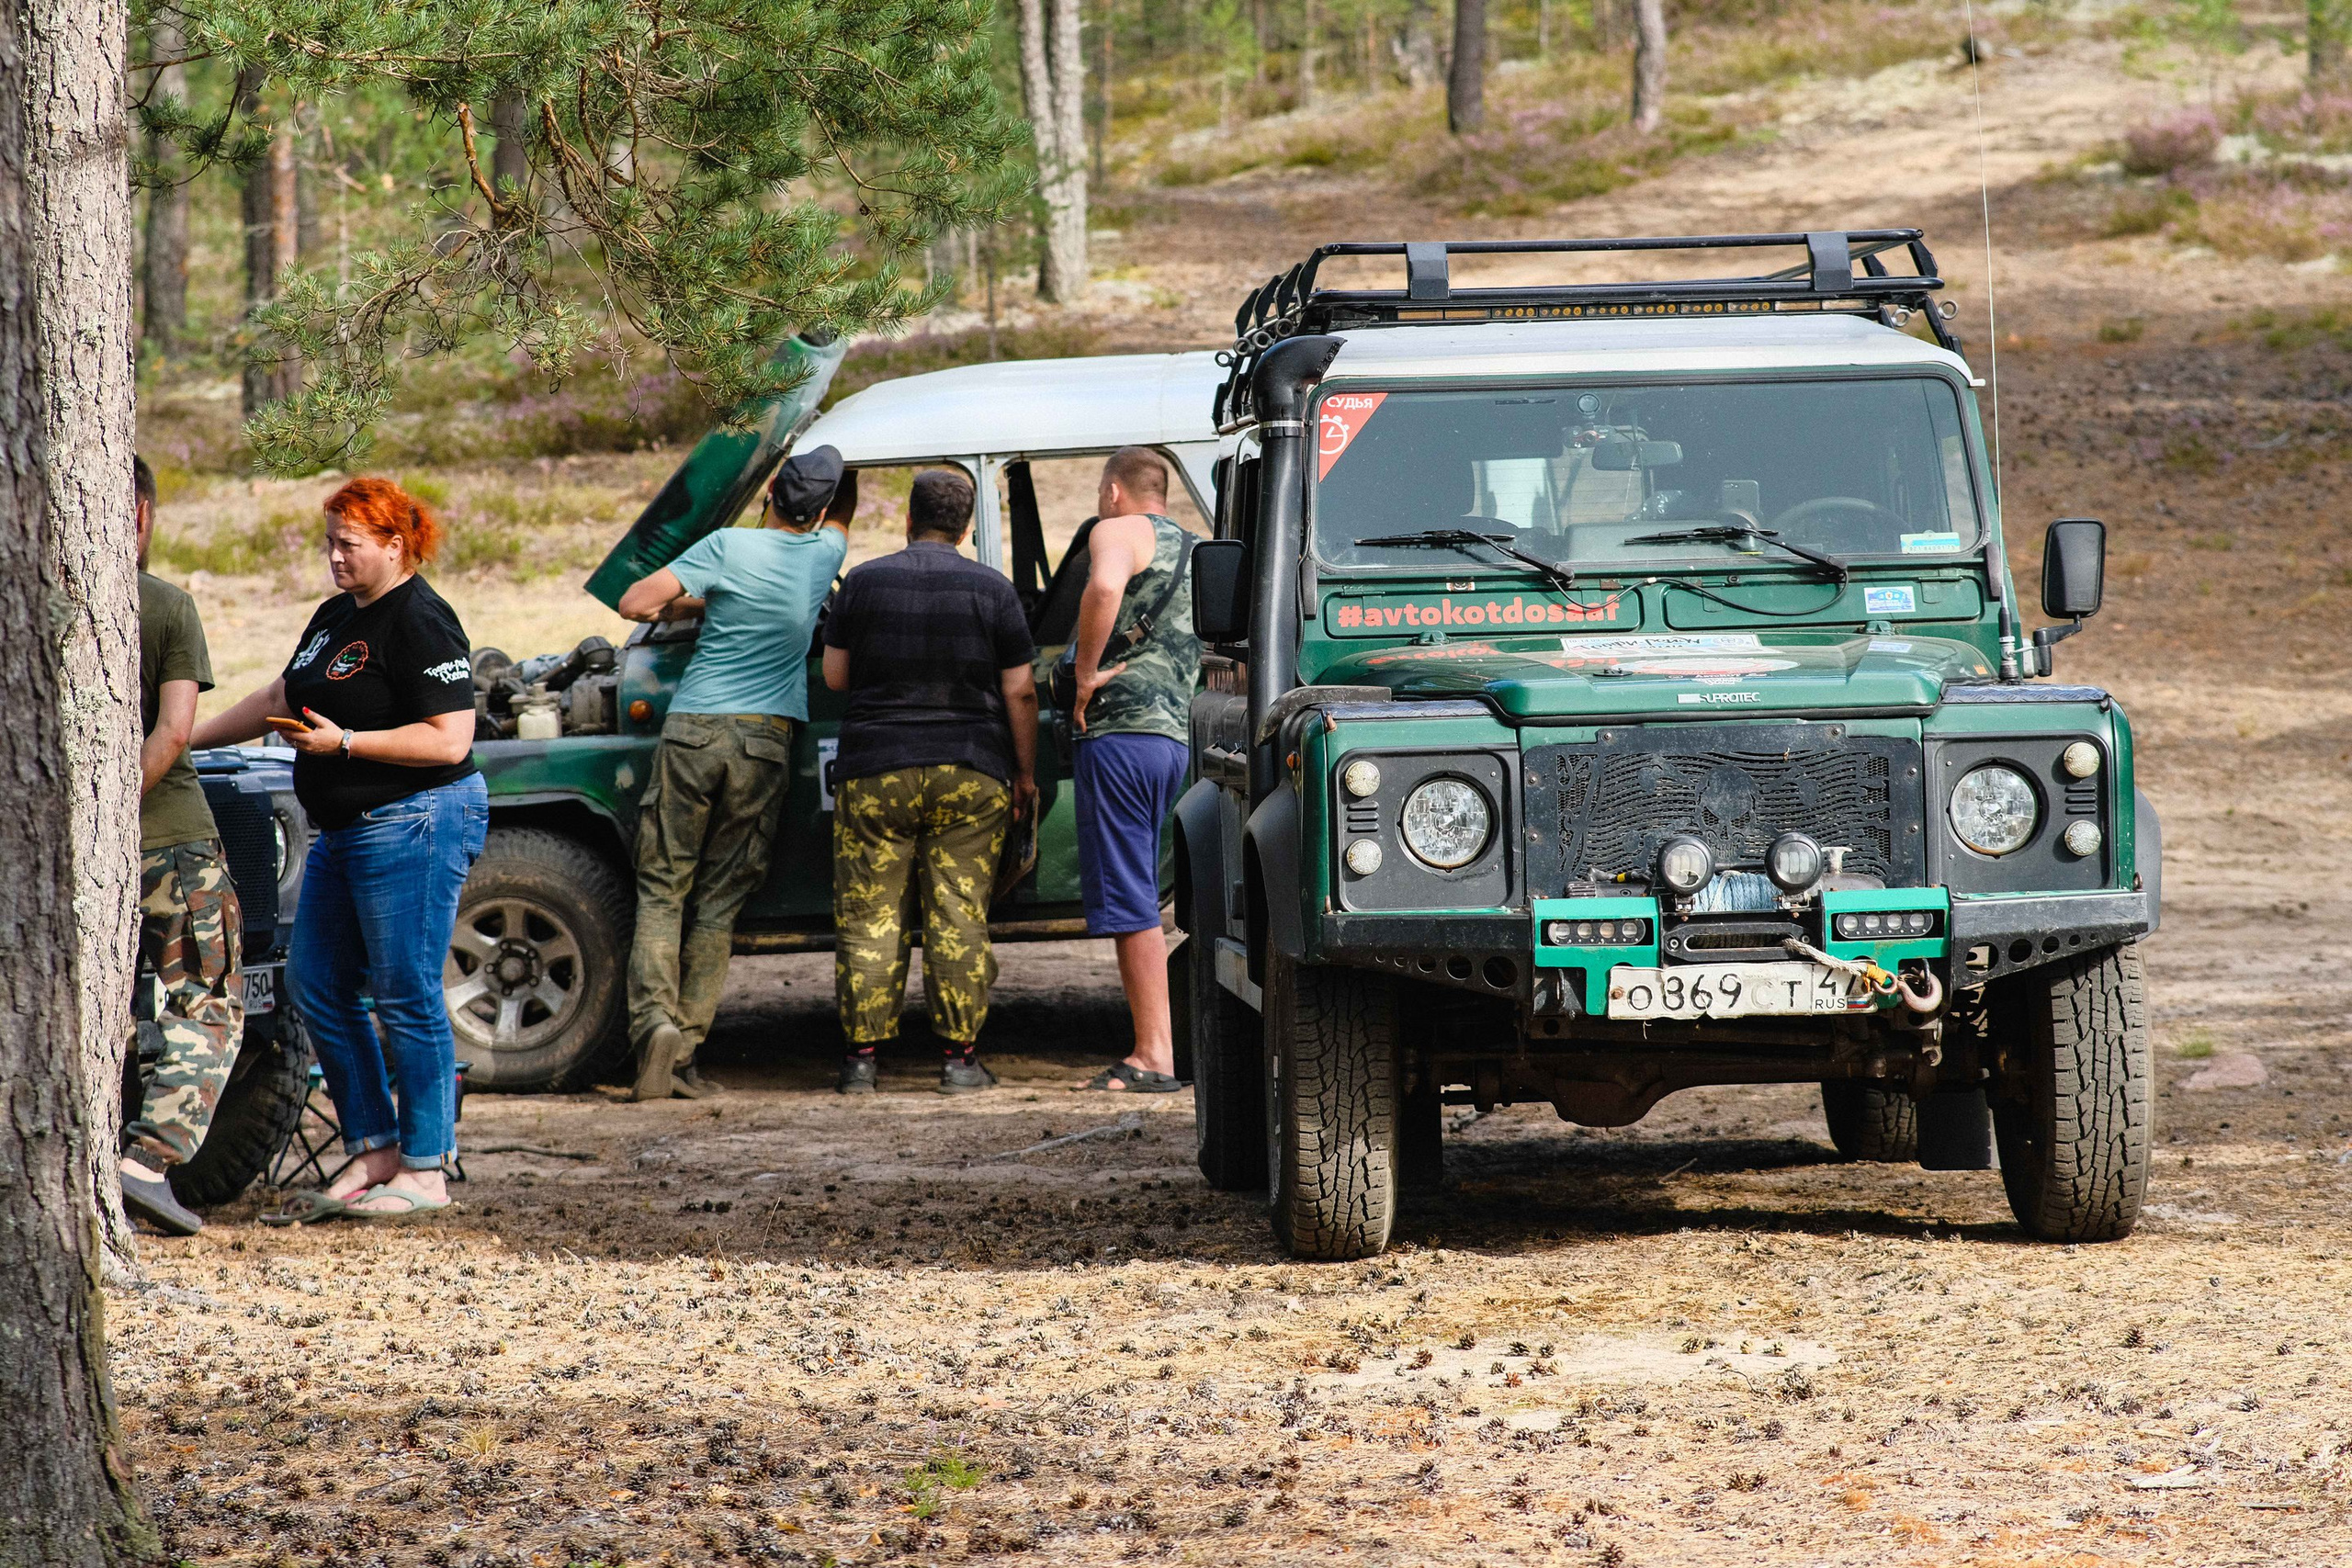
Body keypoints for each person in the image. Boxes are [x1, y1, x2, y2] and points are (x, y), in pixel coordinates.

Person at [194, 477, 486, 1222]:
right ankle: (376, 1148)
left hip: (416, 818)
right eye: (328, 542)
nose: (334, 556)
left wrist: (346, 742)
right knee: (317, 981)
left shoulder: (421, 619)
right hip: (345, 828)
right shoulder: (335, 615)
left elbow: (450, 739)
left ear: (395, 544)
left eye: (349, 544)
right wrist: (183, 740)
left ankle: (426, 1166)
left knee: (405, 989)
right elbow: (279, 699)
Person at [616, 446, 849, 1100]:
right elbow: (842, 516)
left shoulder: (724, 547)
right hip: (766, 737)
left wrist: (697, 602)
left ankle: (653, 1030)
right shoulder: (826, 553)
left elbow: (634, 603)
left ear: (769, 490)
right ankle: (685, 1054)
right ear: (821, 512)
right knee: (718, 904)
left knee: (662, 889)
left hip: (694, 726)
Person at [821, 468, 1037, 1095]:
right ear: (967, 529)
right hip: (970, 772)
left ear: (908, 520)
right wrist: (1024, 775)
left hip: (875, 770)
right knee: (957, 912)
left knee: (869, 913)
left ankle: (862, 1061)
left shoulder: (863, 583)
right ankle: (960, 1061)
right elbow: (1020, 692)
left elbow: (836, 678)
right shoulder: (994, 590)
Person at [120, 455, 245, 1236]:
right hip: (171, 844)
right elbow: (172, 733)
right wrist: (109, 816)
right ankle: (146, 1164)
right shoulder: (165, 606)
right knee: (205, 1004)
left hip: (69, 858)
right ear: (140, 515)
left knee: (124, 1010)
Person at [1069, 447, 1199, 1092]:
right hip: (1172, 740)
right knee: (1142, 890)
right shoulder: (1198, 550)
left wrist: (1083, 673)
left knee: (1129, 897)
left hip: (1119, 734)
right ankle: (1160, 1047)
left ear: (1115, 491)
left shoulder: (1115, 530)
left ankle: (1154, 1054)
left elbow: (1103, 588)